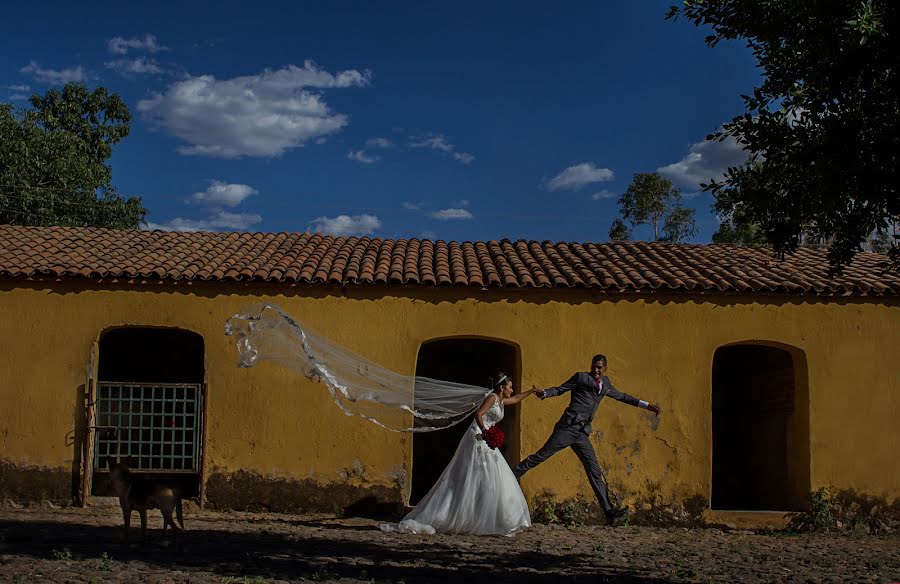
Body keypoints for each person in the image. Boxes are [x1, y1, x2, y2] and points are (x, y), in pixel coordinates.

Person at [380, 372, 536, 535]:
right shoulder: (492, 398)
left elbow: (517, 399)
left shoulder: (501, 400)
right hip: (478, 437)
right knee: (475, 473)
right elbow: (478, 414)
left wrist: (531, 392)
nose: (512, 390)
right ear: (502, 388)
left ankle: (489, 514)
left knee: (491, 474)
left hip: (486, 438)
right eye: (510, 387)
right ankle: (466, 514)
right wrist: (485, 432)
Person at [513, 354, 660, 525]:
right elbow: (561, 389)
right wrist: (545, 393)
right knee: (540, 456)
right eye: (594, 366)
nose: (595, 370)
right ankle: (513, 474)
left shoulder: (606, 384)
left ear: (605, 369)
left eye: (599, 368)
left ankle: (609, 512)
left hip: (582, 434)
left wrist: (647, 405)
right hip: (567, 429)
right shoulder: (581, 377)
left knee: (594, 470)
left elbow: (623, 397)